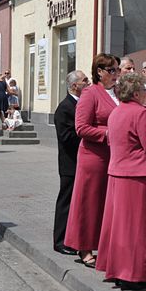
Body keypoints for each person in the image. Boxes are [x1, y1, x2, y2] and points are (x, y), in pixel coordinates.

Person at [96, 73, 146, 290]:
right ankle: (133, 275)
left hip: (117, 174)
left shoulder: (115, 112)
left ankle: (118, 270)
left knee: (120, 227)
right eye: (144, 91)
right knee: (137, 228)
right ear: (136, 93)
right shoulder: (141, 113)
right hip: (136, 176)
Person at [64, 54, 121, 268]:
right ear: (100, 72)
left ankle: (105, 246)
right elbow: (81, 128)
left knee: (107, 204)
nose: (117, 75)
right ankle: (84, 247)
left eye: (118, 70)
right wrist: (109, 133)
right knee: (89, 202)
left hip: (114, 156)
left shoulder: (117, 94)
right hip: (94, 157)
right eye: (112, 70)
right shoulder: (90, 93)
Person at [53, 70, 89, 255]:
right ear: (74, 86)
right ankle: (59, 242)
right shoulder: (65, 108)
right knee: (66, 202)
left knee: (76, 202)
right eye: (85, 81)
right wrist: (88, 136)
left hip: (81, 162)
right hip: (70, 164)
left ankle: (72, 239)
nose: (88, 83)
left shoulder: (81, 104)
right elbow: (66, 137)